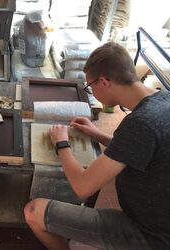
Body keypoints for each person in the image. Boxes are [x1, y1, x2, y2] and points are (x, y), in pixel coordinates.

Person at [24, 42, 170, 249]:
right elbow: (137, 150)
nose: (91, 91)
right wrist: (97, 134)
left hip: (149, 235)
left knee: (33, 211)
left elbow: (82, 187)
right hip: (160, 221)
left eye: (90, 86)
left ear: (104, 81)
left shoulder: (140, 124)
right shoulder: (163, 99)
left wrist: (61, 144)